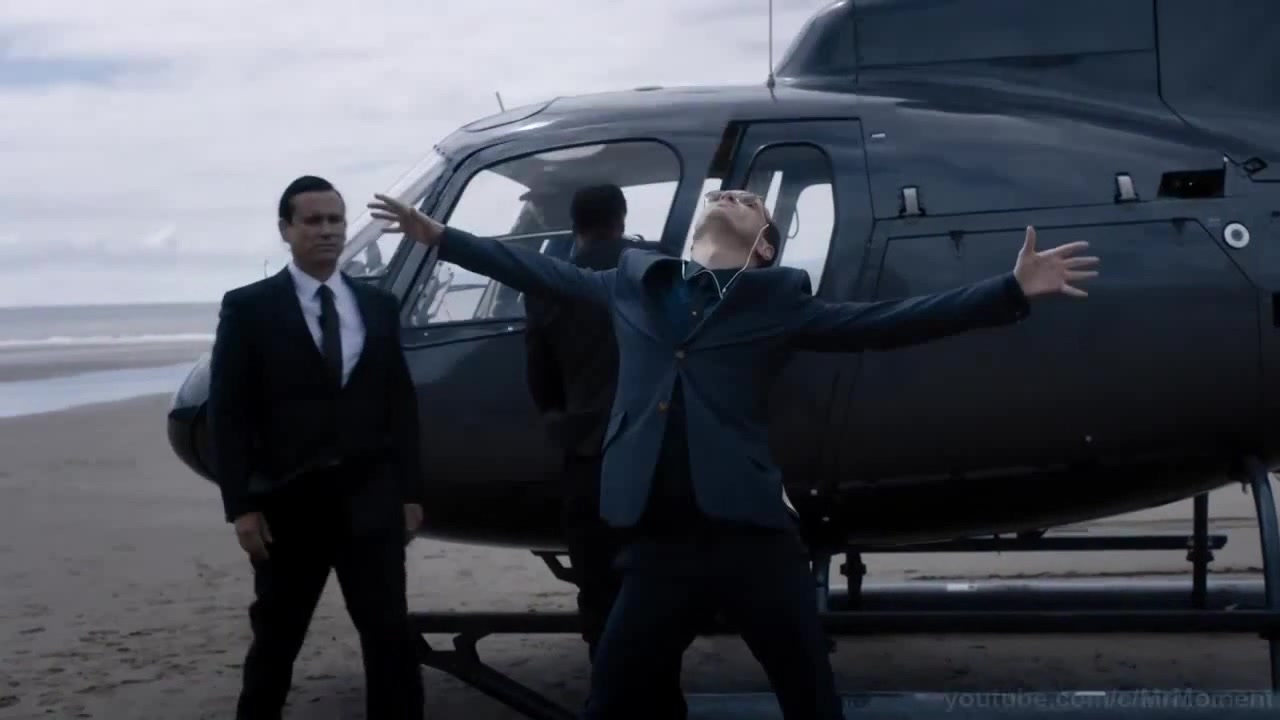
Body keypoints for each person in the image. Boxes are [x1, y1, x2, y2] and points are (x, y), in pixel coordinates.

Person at [367, 188, 1099, 719]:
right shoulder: (633, 285)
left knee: (809, 698)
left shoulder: (776, 304)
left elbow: (888, 323)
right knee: (611, 697)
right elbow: (538, 273)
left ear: (765, 248)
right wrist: (440, 237)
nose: (737, 196)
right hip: (659, 546)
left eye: (753, 205)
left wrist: (1010, 290)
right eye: (729, 195)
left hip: (753, 540)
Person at [209, 175, 426, 720]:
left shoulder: (378, 305)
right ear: (286, 230)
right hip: (289, 505)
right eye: (312, 221)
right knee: (276, 642)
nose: (326, 230)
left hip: (370, 502)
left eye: (335, 220)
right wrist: (240, 506)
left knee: (390, 639)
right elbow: (228, 414)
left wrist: (410, 492)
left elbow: (399, 405)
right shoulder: (249, 308)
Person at [522, 185, 687, 715]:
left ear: (575, 225)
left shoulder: (548, 285)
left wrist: (566, 423)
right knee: (659, 591)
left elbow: (541, 381)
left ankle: (611, 698)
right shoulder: (659, 269)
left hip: (589, 460)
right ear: (622, 218)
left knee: (598, 593)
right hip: (655, 459)